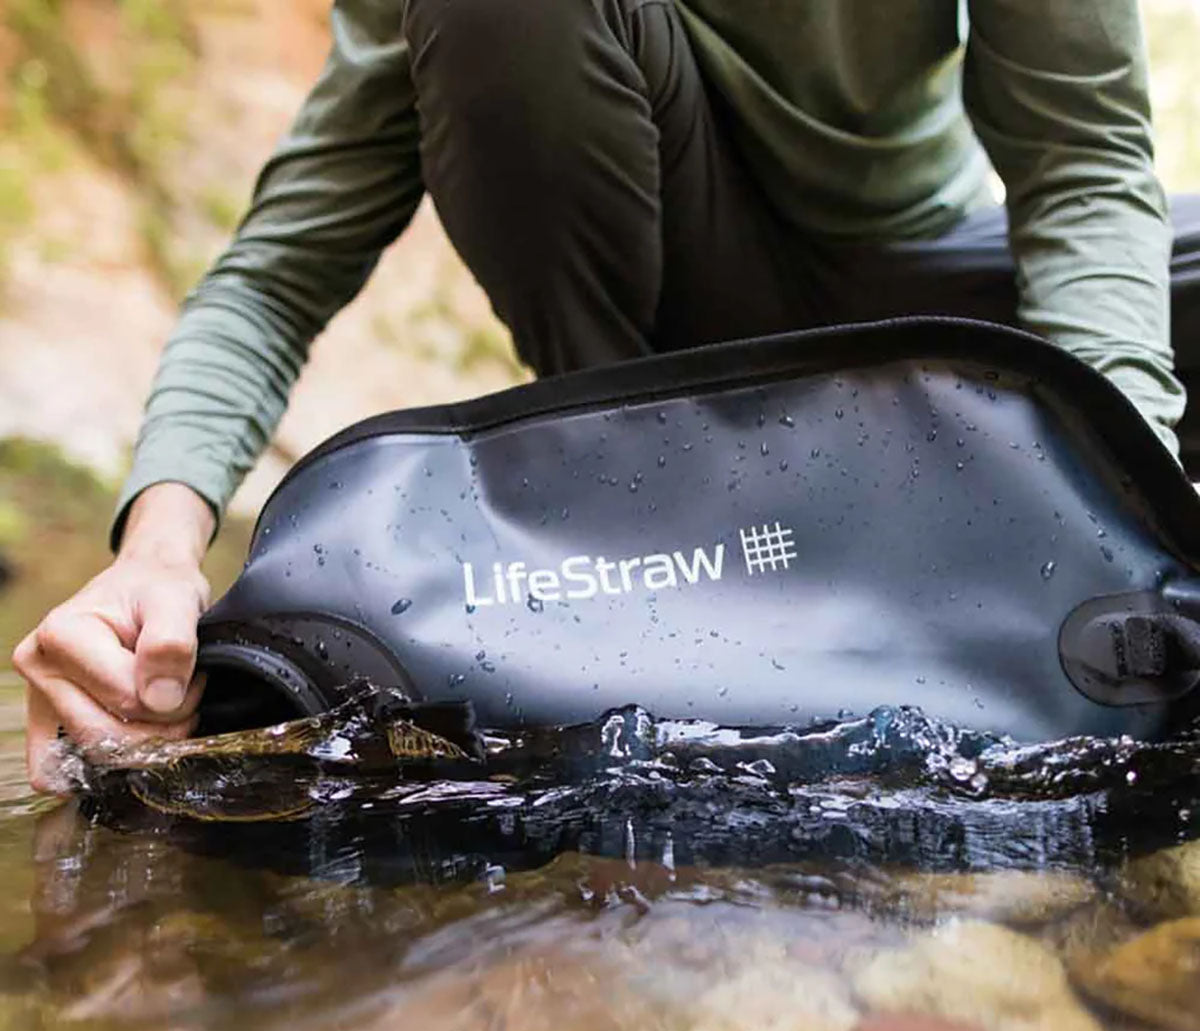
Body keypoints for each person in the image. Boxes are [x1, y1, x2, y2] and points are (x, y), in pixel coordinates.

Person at [14, 0, 1200, 790]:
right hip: (653, 348)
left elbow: (1083, 164)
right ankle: (613, 549)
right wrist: (156, 554)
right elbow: (279, 270)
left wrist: (1118, 498)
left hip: (921, 294)